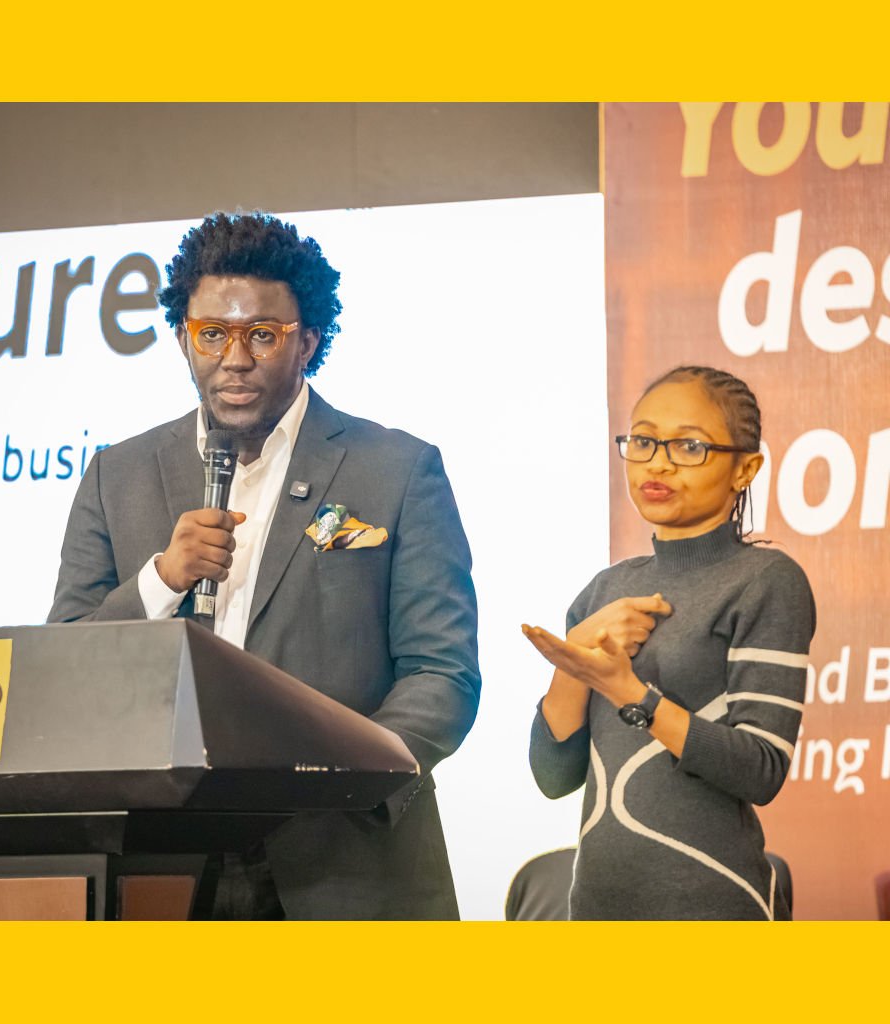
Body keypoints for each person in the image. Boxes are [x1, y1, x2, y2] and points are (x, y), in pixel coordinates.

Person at [47, 211, 480, 920]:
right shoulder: (116, 476)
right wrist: (162, 579)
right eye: (211, 334)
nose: (235, 358)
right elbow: (63, 666)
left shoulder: (397, 470)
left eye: (262, 334)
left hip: (343, 858)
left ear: (308, 340)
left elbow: (442, 675)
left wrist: (342, 780)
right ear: (182, 337)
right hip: (163, 865)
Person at [523, 366, 815, 920]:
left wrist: (631, 694)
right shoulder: (603, 591)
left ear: (745, 469)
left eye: (689, 446)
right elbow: (553, 778)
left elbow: (761, 768)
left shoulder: (766, 581)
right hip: (596, 913)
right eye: (643, 441)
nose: (657, 463)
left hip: (713, 912)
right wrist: (572, 661)